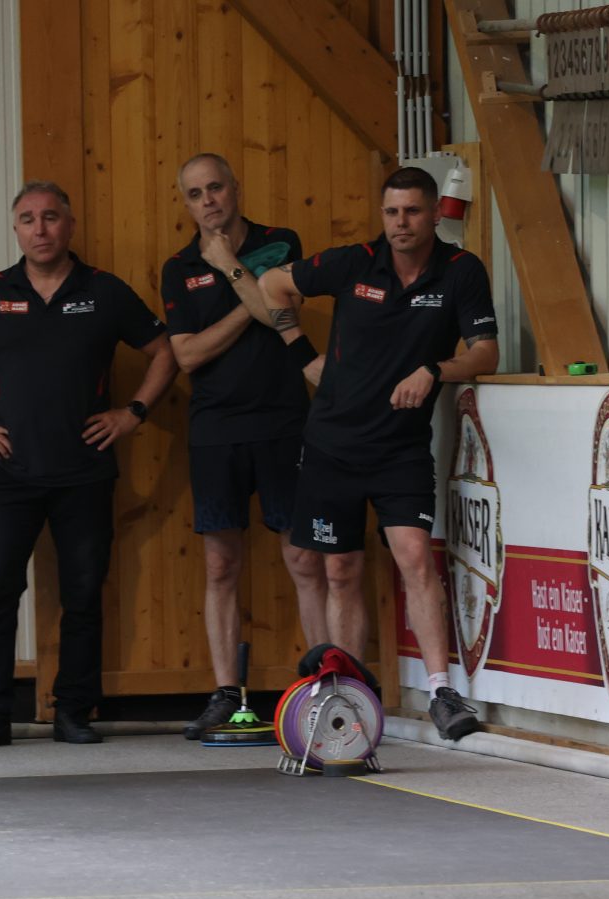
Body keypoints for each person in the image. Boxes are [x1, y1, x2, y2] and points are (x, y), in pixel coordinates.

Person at [0, 181, 177, 748]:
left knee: (83, 595)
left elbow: (163, 353)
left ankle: (73, 713)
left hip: (85, 472)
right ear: (16, 229)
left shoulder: (104, 292)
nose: (40, 229)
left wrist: (133, 414)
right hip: (13, 476)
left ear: (69, 225)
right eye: (28, 219)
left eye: (51, 218)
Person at [256, 165, 499, 741]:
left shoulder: (461, 271)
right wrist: (302, 354)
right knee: (340, 568)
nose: (400, 223)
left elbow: (485, 351)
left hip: (400, 446)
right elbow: (271, 287)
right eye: (391, 212)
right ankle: (345, 697)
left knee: (415, 559)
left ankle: (442, 692)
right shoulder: (352, 262)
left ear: (436, 213)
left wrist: (436, 369)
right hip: (332, 442)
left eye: (413, 211)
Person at [160, 153, 329, 738]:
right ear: (184, 202)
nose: (207, 201)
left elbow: (283, 310)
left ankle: (324, 687)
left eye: (215, 188)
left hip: (285, 421)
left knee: (304, 558)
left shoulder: (280, 242)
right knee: (219, 564)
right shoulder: (179, 267)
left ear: (235, 189)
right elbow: (186, 355)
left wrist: (231, 266)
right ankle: (227, 693)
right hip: (216, 430)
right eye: (194, 194)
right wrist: (249, 300)